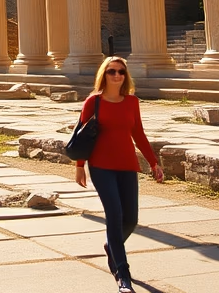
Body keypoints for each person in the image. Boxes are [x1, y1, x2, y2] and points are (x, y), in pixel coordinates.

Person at [73, 55, 163, 293]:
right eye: (111, 71)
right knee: (114, 216)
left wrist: (154, 162)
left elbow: (138, 133)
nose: (116, 75)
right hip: (101, 166)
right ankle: (123, 275)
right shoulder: (93, 102)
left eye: (121, 72)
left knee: (130, 219)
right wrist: (80, 166)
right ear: (104, 74)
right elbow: (82, 136)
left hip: (127, 165)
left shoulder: (132, 102)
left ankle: (112, 246)